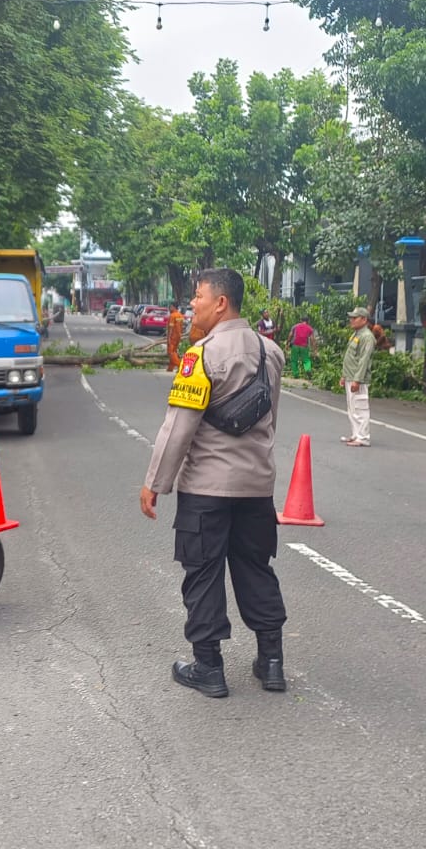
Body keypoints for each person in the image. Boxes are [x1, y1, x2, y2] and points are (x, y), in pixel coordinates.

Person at [140, 268, 289, 699]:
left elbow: (178, 428)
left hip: (207, 490)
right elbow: (270, 420)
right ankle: (272, 661)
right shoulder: (271, 352)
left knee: (203, 574)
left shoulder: (199, 357)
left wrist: (155, 483)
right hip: (256, 488)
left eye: (198, 298)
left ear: (220, 303)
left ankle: (209, 668)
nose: (193, 307)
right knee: (256, 569)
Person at [342, 305, 374, 447]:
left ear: (364, 319)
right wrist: (344, 376)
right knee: (352, 408)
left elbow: (364, 360)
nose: (352, 321)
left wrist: (357, 379)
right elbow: (350, 357)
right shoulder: (356, 334)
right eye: (351, 318)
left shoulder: (367, 337)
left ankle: (363, 437)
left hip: (358, 379)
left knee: (360, 408)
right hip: (350, 376)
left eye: (355, 318)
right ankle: (356, 434)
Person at [165, 305, 185, 372]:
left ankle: (180, 366)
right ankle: (170, 368)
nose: (169, 308)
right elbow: (182, 326)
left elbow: (171, 328)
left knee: (170, 353)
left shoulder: (172, 316)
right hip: (178, 336)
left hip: (172, 337)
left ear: (174, 307)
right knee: (174, 352)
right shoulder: (181, 315)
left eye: (170, 307)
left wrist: (168, 338)